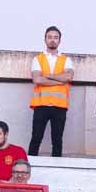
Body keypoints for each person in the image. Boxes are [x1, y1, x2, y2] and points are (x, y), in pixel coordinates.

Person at [28, 26, 73, 157]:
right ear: (45, 39)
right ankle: (30, 164)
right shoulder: (38, 59)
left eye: (55, 37)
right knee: (36, 138)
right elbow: (37, 80)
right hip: (41, 104)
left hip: (59, 106)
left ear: (59, 40)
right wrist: (60, 80)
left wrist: (47, 76)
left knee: (57, 140)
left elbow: (68, 77)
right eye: (50, 37)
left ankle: (57, 168)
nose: (52, 40)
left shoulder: (66, 59)